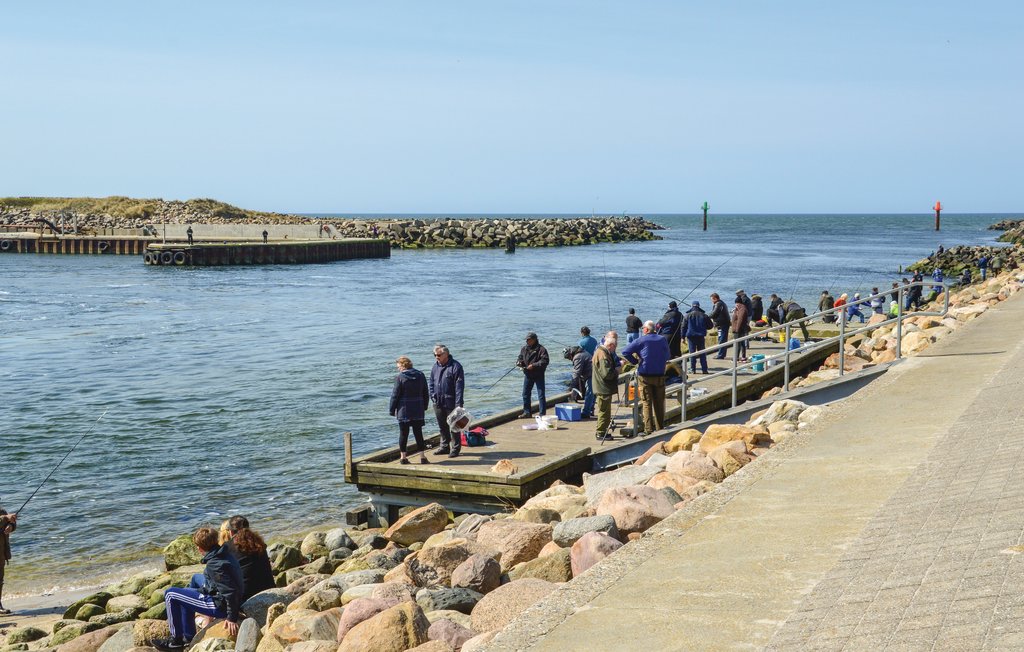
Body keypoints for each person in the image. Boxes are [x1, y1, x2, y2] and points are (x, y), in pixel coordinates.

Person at [157, 527, 243, 652]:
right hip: (217, 591)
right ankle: (189, 635)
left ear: (199, 548)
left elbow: (230, 592)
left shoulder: (215, 565)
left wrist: (231, 618)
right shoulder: (224, 551)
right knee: (195, 578)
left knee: (170, 594)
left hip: (219, 605)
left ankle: (175, 641)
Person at [621, 321, 670, 436]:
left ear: (647, 330)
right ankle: (660, 428)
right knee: (659, 402)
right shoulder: (662, 339)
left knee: (647, 402)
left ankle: (648, 429)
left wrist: (635, 361)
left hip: (645, 375)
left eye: (643, 328)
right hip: (659, 375)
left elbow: (625, 351)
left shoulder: (641, 340)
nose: (642, 330)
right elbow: (667, 356)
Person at [221, 516, 274, 603]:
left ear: (230, 532)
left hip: (246, 595)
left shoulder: (227, 547)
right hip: (268, 588)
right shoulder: (259, 543)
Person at [390, 356, 430, 463]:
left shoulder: (400, 377)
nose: (398, 368)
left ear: (403, 365)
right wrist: (425, 406)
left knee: (403, 434)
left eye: (398, 366)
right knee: (418, 433)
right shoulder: (420, 375)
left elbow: (395, 395)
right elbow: (425, 393)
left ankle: (403, 458)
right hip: (418, 408)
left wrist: (391, 409)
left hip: (404, 410)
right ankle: (422, 457)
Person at [429, 344, 465, 457]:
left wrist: (458, 405)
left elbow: (459, 387)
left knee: (454, 426)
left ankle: (455, 448)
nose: (436, 357)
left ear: (446, 354)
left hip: (452, 402)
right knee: (442, 426)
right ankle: (444, 446)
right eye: (434, 355)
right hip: (438, 402)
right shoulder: (435, 366)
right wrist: (432, 396)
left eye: (438, 355)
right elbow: (431, 383)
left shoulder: (456, 366)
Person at [592, 331, 620, 441]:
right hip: (603, 387)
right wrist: (617, 371)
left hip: (602, 386)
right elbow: (607, 374)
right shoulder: (603, 355)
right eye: (614, 348)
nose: (614, 351)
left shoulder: (600, 351)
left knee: (605, 410)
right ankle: (600, 432)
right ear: (611, 345)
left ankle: (603, 431)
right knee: (604, 411)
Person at [517, 332, 549, 417]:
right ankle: (527, 412)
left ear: (534, 340)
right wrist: (519, 362)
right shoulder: (524, 349)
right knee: (525, 393)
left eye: (529, 340)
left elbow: (545, 361)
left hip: (539, 374)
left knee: (541, 395)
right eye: (526, 340)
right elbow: (520, 358)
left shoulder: (542, 349)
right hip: (528, 374)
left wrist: (533, 365)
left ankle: (542, 414)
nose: (527, 341)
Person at [563, 346, 594, 418]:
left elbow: (577, 372)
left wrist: (572, 386)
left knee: (589, 393)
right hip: (592, 373)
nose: (570, 360)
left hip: (591, 375)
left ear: (570, 355)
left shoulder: (577, 357)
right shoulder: (582, 352)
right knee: (592, 394)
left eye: (569, 358)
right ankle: (590, 410)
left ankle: (586, 413)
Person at [682, 300, 712, 374]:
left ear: (692, 306)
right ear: (699, 306)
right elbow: (710, 326)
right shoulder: (704, 315)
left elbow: (683, 327)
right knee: (702, 353)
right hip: (701, 336)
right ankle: (704, 370)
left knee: (692, 354)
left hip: (691, 337)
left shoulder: (687, 315)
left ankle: (692, 369)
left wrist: (682, 337)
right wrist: (704, 327)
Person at [0, 503, 16, 615]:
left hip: (2, 553)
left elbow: (12, 524)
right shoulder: (4, 515)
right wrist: (6, 518)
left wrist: (11, 526)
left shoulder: (3, 511)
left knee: (0, 580)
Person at [709, 293, 731, 359]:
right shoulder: (721, 303)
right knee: (721, 339)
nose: (711, 301)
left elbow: (714, 313)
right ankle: (721, 354)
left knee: (722, 340)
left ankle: (721, 355)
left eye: (712, 299)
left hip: (723, 324)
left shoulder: (718, 304)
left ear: (715, 298)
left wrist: (707, 317)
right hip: (722, 324)